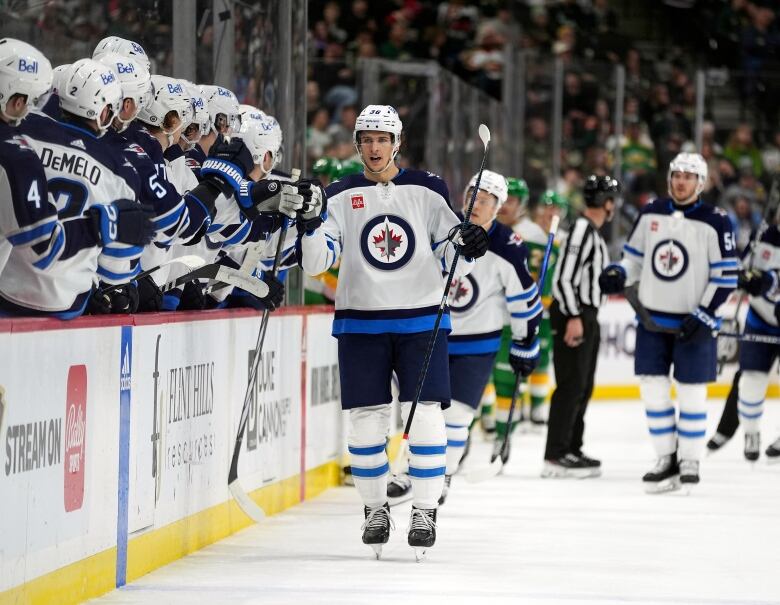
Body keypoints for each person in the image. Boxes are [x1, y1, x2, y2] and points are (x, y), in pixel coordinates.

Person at [296, 104, 489, 559]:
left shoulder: (426, 188)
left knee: (425, 416)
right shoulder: (339, 194)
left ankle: (424, 510)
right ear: (358, 143)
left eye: (382, 139)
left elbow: (450, 245)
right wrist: (306, 225)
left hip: (423, 321)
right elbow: (317, 262)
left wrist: (470, 241)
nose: (374, 147)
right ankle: (375, 508)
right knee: (366, 422)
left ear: (396, 142)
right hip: (361, 323)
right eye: (367, 139)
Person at [599, 153, 738, 492]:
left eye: (689, 177)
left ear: (701, 183)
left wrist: (704, 314)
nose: (681, 181)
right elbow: (634, 259)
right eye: (676, 174)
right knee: (652, 390)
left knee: (691, 394)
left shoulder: (716, 221)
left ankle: (690, 460)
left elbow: (726, 277)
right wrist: (619, 272)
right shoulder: (651, 213)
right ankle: (666, 458)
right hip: (651, 320)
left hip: (696, 324)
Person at [7, 58, 155, 319]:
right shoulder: (121, 169)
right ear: (103, 112)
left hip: (7, 290)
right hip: (69, 302)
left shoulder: (22, 135)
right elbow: (116, 270)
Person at [441, 169, 541, 502]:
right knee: (426, 414)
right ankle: (418, 469)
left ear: (498, 207)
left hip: (478, 346)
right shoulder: (443, 229)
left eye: (485, 200)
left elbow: (523, 299)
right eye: (471, 196)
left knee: (457, 417)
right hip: (434, 338)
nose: (475, 204)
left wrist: (526, 341)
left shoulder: (508, 245)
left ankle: (441, 478)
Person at [543, 176, 618, 478]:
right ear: (608, 203)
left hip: (586, 314)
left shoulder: (591, 233)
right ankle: (556, 454)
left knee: (582, 386)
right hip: (575, 315)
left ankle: (571, 447)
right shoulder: (583, 231)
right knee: (571, 385)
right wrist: (574, 316)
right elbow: (563, 278)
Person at [0, 39, 64, 288]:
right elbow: (42, 248)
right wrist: (98, 225)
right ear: (16, 100)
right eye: (29, 101)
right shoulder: (16, 156)